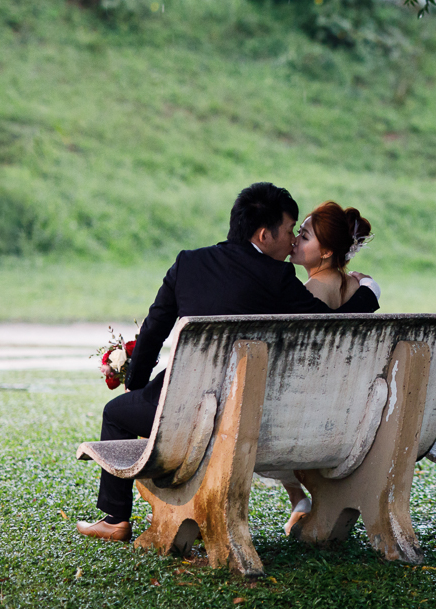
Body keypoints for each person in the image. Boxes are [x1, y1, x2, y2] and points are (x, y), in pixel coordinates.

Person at [75, 183, 380, 543]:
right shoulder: (279, 278)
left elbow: (153, 331)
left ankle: (114, 519)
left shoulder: (187, 263)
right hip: (247, 414)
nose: (292, 241)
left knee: (116, 412)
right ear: (264, 235)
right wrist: (368, 293)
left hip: (179, 411)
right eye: (288, 231)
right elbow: (332, 328)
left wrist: (137, 389)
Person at [266, 200, 379, 533]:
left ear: (327, 252)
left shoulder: (311, 291)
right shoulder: (357, 286)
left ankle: (297, 497)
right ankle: (298, 500)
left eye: (304, 237)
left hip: (307, 419)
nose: (295, 242)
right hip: (346, 411)